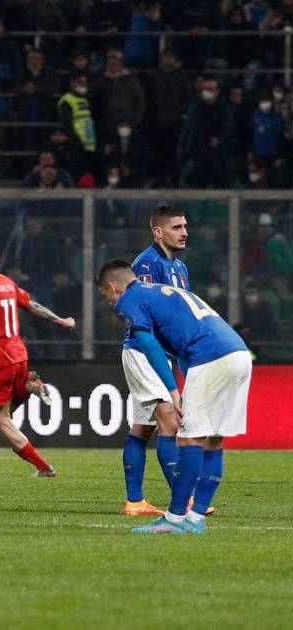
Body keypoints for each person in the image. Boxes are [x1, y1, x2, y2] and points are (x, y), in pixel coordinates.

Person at [97, 261, 251, 535]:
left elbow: (150, 346)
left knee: (189, 439)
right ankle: (196, 517)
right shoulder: (162, 290)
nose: (109, 301)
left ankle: (175, 519)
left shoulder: (129, 299)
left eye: (106, 294)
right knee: (213, 439)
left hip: (211, 357)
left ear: (112, 287)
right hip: (239, 353)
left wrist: (173, 390)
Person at [120, 204, 206, 517]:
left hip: (163, 355)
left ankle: (135, 502)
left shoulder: (180, 268)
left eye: (185, 226)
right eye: (176, 227)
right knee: (171, 423)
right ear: (158, 232)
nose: (184, 233)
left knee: (142, 430)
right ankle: (184, 503)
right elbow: (141, 314)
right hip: (143, 352)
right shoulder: (146, 264)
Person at [0, 239, 76, 477]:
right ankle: (29, 385)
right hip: (19, 354)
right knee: (3, 414)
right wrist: (60, 320)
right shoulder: (6, 282)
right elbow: (32, 305)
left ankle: (44, 467)